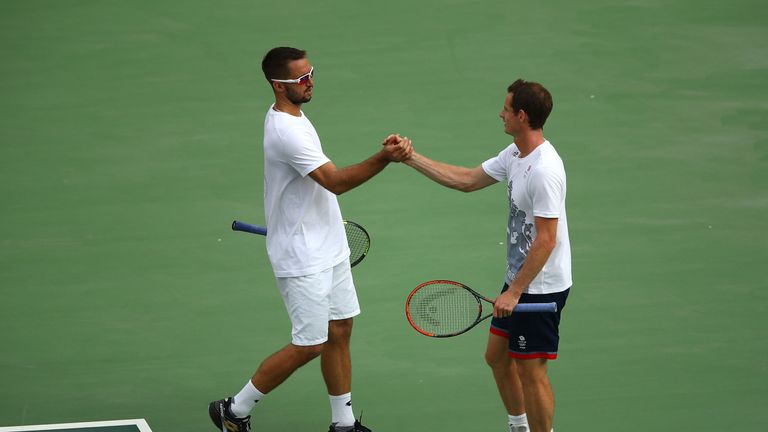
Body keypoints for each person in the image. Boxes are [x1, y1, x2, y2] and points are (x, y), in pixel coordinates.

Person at [208, 47, 412, 432]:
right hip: (303, 256)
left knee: (340, 329)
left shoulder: (296, 117)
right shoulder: (286, 132)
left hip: (328, 245)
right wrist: (385, 158)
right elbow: (335, 181)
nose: (310, 82)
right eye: (301, 79)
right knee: (310, 344)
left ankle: (344, 423)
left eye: (311, 73)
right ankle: (233, 410)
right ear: (277, 86)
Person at [386, 79, 571, 432]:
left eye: (505, 108)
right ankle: (519, 427)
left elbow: (547, 240)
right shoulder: (516, 154)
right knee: (497, 357)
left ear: (521, 115)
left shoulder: (545, 170)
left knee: (531, 371)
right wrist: (411, 158)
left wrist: (515, 292)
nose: (499, 114)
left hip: (540, 286)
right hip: (520, 278)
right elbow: (467, 180)